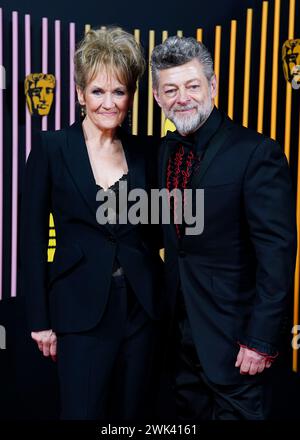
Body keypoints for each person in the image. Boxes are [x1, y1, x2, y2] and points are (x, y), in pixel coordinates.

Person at [20, 27, 163, 421]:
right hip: (78, 313)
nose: (108, 102)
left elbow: (156, 228)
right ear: (80, 94)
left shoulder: (147, 152)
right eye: (98, 91)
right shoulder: (51, 149)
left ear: (131, 96)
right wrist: (40, 321)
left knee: (134, 417)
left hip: (141, 311)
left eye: (118, 91)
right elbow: (30, 240)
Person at [151, 36, 297, 420]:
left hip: (238, 347)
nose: (183, 97)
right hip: (180, 344)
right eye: (171, 89)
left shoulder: (256, 152)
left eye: (193, 85)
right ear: (157, 98)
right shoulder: (162, 152)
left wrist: (261, 340)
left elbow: (276, 254)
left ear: (213, 86)